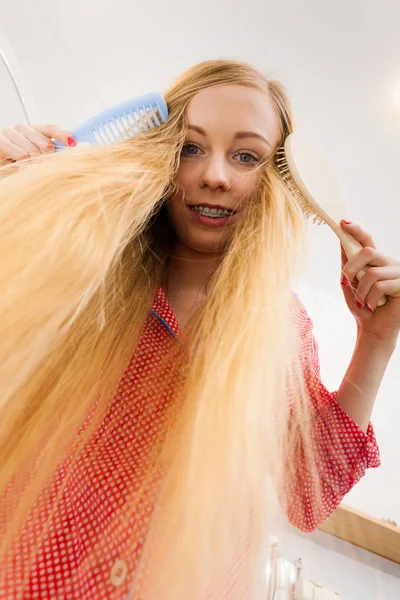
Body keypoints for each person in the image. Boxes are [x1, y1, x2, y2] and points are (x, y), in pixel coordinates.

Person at [0, 60, 398, 600]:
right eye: (191, 147)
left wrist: (375, 343)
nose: (215, 174)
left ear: (278, 181)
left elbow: (310, 495)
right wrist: (19, 200)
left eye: (246, 156)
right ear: (162, 152)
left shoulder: (281, 329)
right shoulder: (84, 266)